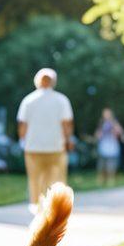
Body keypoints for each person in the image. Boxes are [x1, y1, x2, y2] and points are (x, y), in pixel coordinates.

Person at [17, 68, 74, 212]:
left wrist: (22, 142)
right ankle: (55, 211)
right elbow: (66, 124)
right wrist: (69, 140)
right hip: (56, 148)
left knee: (35, 180)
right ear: (53, 82)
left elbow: (22, 125)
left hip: (33, 149)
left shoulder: (28, 100)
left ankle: (37, 209)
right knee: (56, 181)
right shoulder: (62, 100)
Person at [94, 108, 124, 186]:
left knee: (111, 165)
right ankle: (101, 180)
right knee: (101, 166)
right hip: (103, 147)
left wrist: (114, 125)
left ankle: (111, 180)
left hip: (112, 147)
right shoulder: (101, 123)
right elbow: (97, 135)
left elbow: (120, 132)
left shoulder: (114, 123)